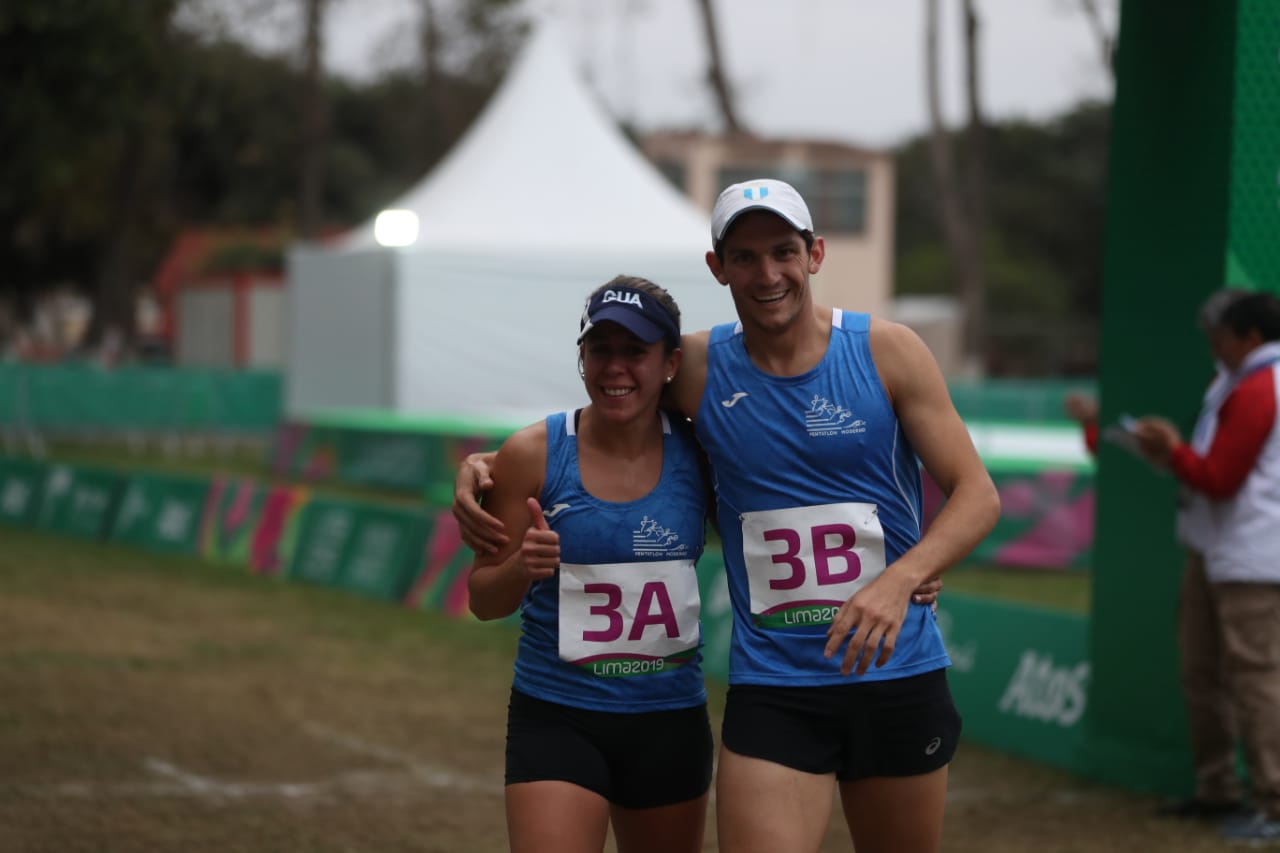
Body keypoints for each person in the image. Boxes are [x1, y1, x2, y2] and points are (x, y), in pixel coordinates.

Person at [457, 178, 1000, 853]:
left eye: (782, 251)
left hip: (895, 672)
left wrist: (902, 575)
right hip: (775, 687)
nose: (766, 273)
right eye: (743, 256)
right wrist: (487, 464)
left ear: (816, 253)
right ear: (718, 268)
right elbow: (608, 405)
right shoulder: (700, 368)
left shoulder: (888, 352)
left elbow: (977, 493)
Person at [467, 275, 713, 853]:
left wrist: (902, 568)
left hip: (669, 719)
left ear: (670, 361)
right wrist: (521, 568)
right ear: (582, 356)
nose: (615, 368)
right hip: (558, 717)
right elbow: (483, 600)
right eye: (600, 349)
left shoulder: (704, 451)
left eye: (635, 352)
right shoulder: (533, 453)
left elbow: (779, 515)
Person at [1134, 290, 1280, 842]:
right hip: (1220, 550)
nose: (1213, 345)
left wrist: (1172, 450)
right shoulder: (1238, 379)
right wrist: (1171, 452)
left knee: (1256, 679)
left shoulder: (1262, 385)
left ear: (1250, 335)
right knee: (1203, 673)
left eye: (1219, 335)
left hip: (1252, 557)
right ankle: (1218, 788)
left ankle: (1272, 800)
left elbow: (1219, 477)